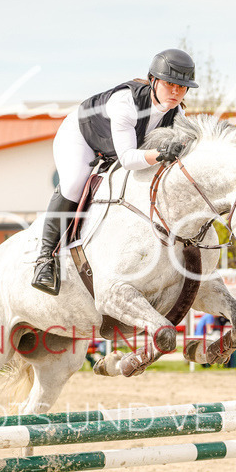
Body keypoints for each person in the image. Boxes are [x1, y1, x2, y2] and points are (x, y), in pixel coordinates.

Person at [31, 48, 200, 296]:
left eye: (182, 87)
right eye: (169, 84)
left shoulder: (177, 114)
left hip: (116, 147)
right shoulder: (125, 103)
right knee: (75, 182)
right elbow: (129, 159)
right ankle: (44, 259)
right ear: (153, 81)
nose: (176, 92)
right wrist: (160, 154)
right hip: (81, 136)